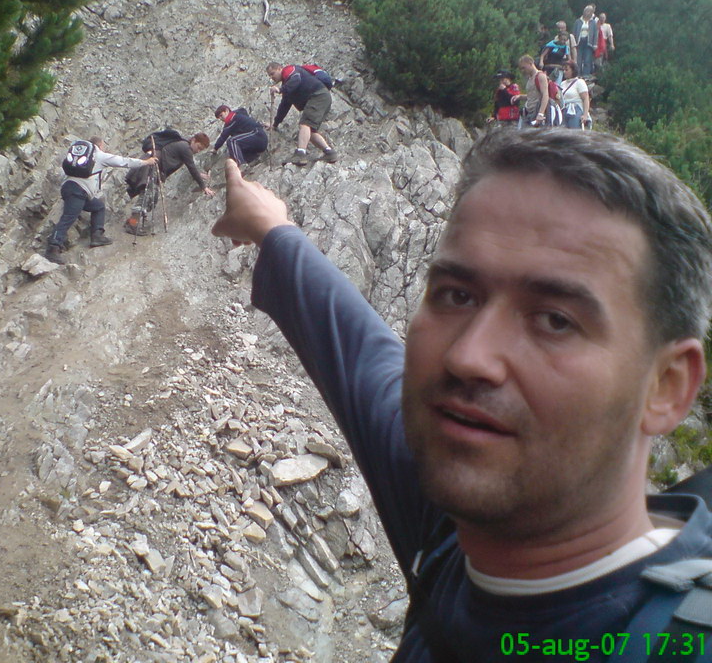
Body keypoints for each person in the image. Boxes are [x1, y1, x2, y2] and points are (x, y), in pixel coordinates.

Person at [211, 129, 712, 661]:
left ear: (668, 387)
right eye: (457, 295)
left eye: (554, 320)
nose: (469, 356)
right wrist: (274, 228)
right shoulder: (456, 531)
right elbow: (365, 363)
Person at [45, 136, 157, 264]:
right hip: (78, 190)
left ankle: (97, 236)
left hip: (71, 188)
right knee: (68, 217)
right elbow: (123, 161)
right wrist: (146, 162)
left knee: (98, 206)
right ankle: (53, 248)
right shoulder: (99, 155)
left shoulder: (79, 155)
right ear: (100, 145)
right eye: (103, 145)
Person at [124, 132, 214, 235]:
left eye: (201, 150)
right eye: (198, 147)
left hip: (151, 167)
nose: (198, 151)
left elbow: (190, 167)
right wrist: (204, 187)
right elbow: (191, 167)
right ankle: (132, 225)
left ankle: (131, 222)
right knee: (147, 196)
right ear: (193, 140)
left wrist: (198, 174)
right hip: (150, 167)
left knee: (151, 197)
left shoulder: (182, 146)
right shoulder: (185, 147)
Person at [266, 62, 337, 166]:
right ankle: (330, 153)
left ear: (280, 68)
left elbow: (296, 80)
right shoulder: (287, 85)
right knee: (310, 131)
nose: (272, 77)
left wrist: (280, 90)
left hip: (317, 96)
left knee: (305, 125)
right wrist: (275, 124)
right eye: (269, 75)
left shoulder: (289, 70)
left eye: (272, 73)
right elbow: (284, 105)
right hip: (322, 97)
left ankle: (300, 155)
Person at [516, 55, 559, 128]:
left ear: (530, 63)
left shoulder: (540, 76)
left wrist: (541, 113)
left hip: (537, 112)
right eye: (521, 69)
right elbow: (533, 95)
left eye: (524, 68)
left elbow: (545, 95)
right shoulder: (530, 78)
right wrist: (520, 97)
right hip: (529, 112)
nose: (523, 71)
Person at [559, 61, 591, 129]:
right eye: (563, 70)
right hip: (564, 110)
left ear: (573, 70)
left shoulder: (580, 82)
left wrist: (585, 115)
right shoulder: (562, 84)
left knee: (575, 133)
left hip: (576, 110)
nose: (564, 72)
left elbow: (585, 99)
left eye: (567, 70)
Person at [573, 5, 599, 77]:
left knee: (587, 60)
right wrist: (573, 43)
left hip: (588, 43)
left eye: (590, 11)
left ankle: (586, 75)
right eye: (586, 11)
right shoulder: (578, 21)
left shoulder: (593, 22)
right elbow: (574, 32)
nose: (588, 13)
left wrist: (595, 44)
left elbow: (595, 34)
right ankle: (577, 74)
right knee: (578, 60)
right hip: (579, 42)